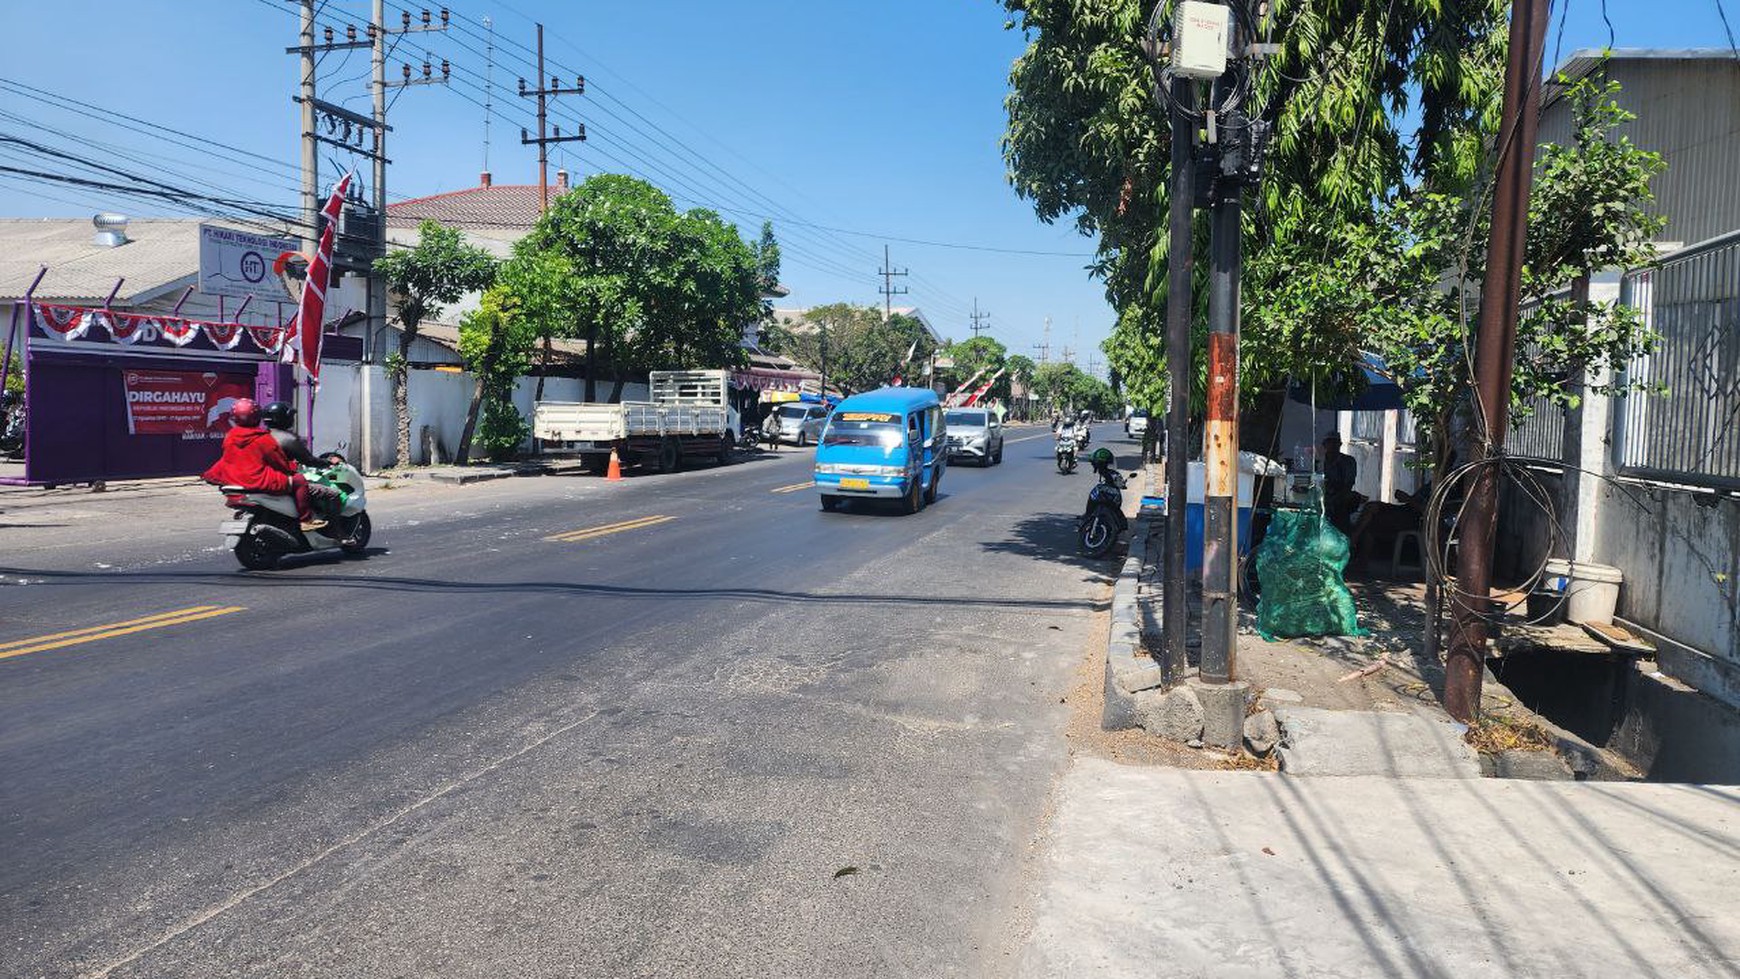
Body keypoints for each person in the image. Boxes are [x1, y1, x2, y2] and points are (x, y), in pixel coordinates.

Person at [202, 398, 330, 530]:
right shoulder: (263, 438)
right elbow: (278, 462)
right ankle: (306, 520)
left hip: (234, 478)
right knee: (299, 480)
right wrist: (291, 469)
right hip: (257, 479)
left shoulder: (230, 436)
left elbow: (229, 458)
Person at [1319, 432, 1359, 533]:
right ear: (1324, 445)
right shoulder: (1319, 461)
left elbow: (1348, 484)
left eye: (1335, 442)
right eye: (1329, 442)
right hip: (1321, 494)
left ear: (1340, 444)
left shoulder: (1348, 461)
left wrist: (1334, 498)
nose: (1332, 445)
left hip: (1340, 496)